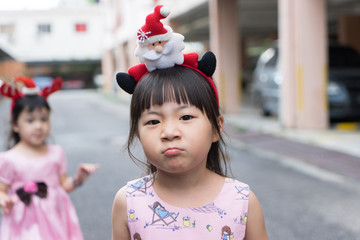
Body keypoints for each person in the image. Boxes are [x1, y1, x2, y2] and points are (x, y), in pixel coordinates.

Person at [112, 5, 268, 240]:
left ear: (217, 128)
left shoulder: (242, 201)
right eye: (153, 121)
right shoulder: (128, 201)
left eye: (185, 117)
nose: (169, 132)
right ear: (137, 132)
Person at [0, 76, 100, 240]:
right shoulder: (8, 159)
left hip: (55, 220)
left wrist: (77, 179)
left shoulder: (56, 153)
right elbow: (1, 190)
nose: (39, 125)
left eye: (44, 119)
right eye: (30, 120)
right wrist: (4, 200)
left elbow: (62, 186)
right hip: (22, 224)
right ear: (15, 125)